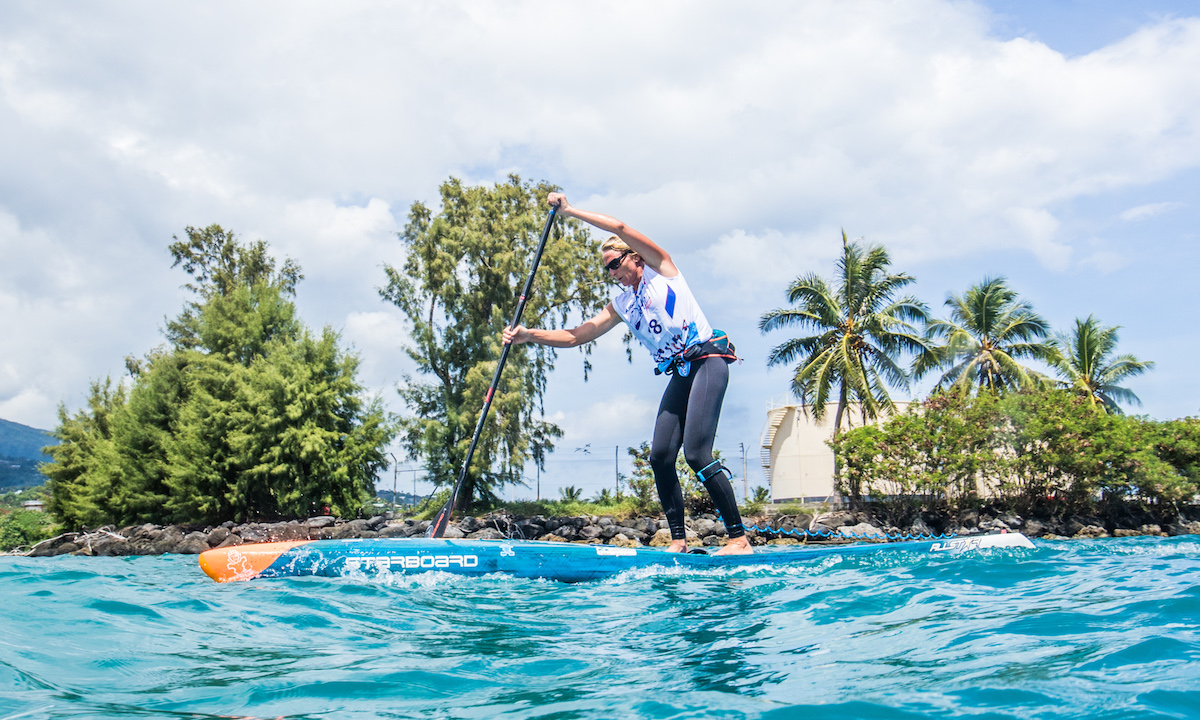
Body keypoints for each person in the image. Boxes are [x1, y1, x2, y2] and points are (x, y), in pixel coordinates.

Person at [503, 192, 752, 555]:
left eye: (614, 263)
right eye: (607, 268)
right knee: (660, 456)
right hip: (680, 373)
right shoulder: (622, 303)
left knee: (697, 454)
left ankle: (738, 538)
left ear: (634, 257)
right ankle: (679, 541)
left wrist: (569, 211)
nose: (612, 272)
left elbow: (619, 226)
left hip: (707, 361)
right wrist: (530, 335)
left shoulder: (662, 270)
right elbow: (578, 335)